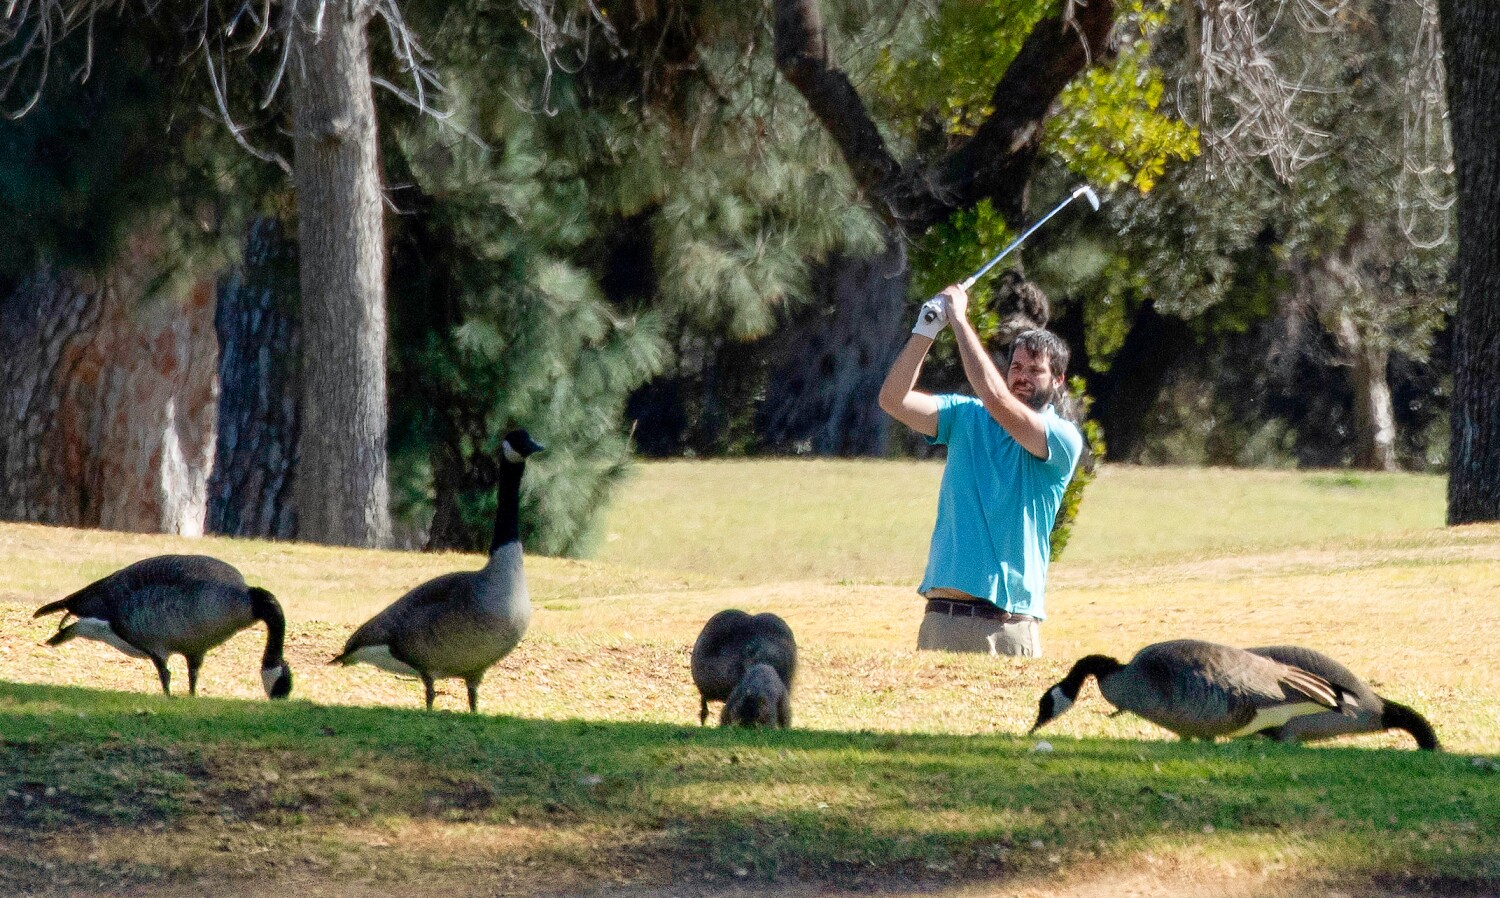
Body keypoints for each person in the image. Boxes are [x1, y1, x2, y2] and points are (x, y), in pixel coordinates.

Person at [877, 283, 1083, 657]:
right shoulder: (965, 416)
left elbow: (997, 398)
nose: (1020, 375)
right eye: (1015, 366)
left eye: (1034, 370)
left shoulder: (1061, 438)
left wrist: (958, 319)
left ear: (1057, 381)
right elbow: (893, 399)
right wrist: (925, 331)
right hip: (942, 620)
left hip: (1008, 628)